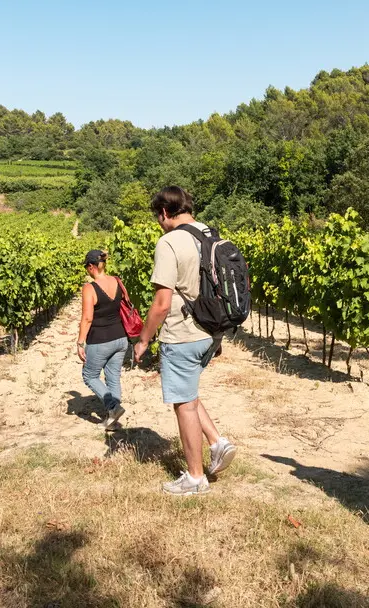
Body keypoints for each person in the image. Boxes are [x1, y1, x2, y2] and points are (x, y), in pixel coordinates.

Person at [133, 186, 236, 496]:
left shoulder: (169, 242)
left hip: (183, 334)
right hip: (211, 330)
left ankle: (195, 477)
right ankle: (217, 443)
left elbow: (161, 303)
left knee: (183, 404)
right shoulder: (208, 233)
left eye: (158, 217)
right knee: (187, 391)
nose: (159, 223)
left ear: (165, 212)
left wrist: (143, 340)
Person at [77, 249, 128, 430]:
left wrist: (80, 342)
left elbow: (87, 318)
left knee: (89, 376)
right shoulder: (117, 281)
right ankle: (113, 421)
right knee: (113, 377)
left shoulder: (89, 288)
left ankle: (113, 407)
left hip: (101, 339)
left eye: (86, 267)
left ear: (91, 266)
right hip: (121, 338)